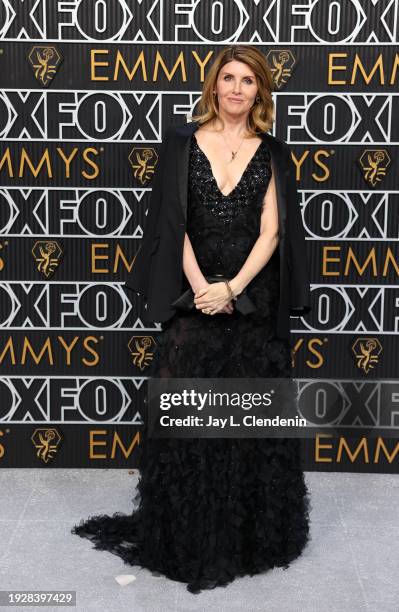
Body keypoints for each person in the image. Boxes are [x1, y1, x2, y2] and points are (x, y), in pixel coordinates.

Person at [72, 45, 312, 594]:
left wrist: (233, 287)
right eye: (227, 78)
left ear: (260, 91)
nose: (236, 89)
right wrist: (204, 288)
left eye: (247, 80)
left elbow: (273, 232)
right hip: (194, 293)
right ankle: (189, 536)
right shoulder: (182, 144)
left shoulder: (273, 151)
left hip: (252, 295)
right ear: (214, 86)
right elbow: (171, 221)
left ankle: (250, 537)